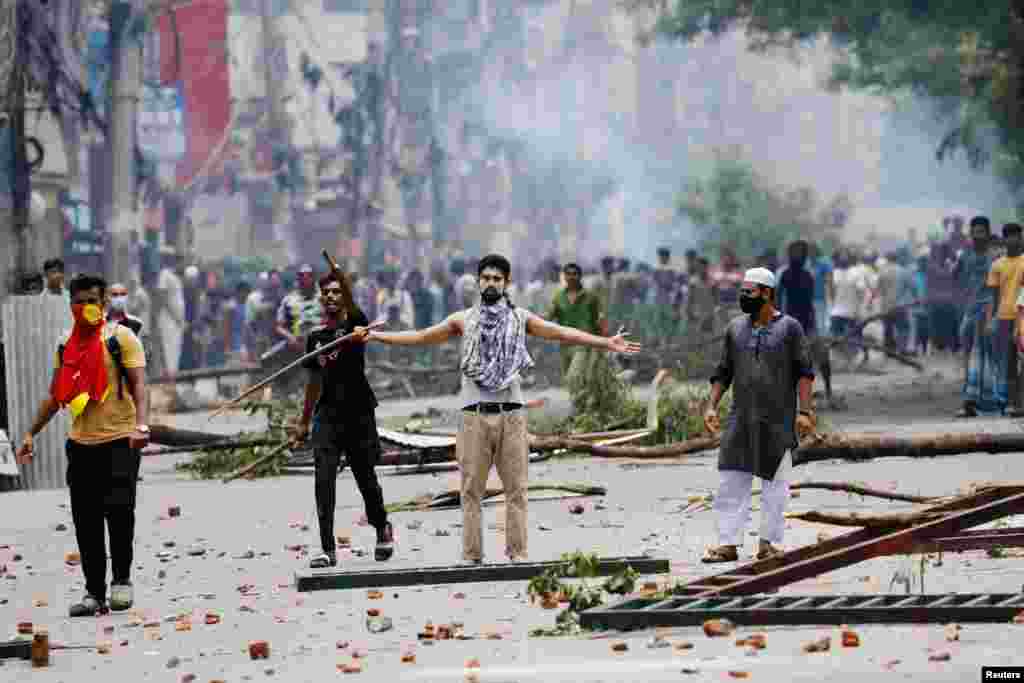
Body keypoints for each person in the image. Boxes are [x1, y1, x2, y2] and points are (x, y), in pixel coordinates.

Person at [364, 254, 641, 564]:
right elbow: (420, 337)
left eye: (497, 278)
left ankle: (518, 555)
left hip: (511, 413)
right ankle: (471, 556)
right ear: (479, 281)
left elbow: (562, 332)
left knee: (517, 489)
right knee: (471, 490)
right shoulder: (462, 320)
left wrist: (606, 343)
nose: (491, 283)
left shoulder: (521, 318)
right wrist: (374, 335)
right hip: (473, 414)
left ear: (506, 283)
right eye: (486, 278)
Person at [16, 274, 149, 616]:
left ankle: (121, 580)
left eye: (92, 300)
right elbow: (56, 394)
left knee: (120, 512)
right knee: (86, 519)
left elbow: (139, 386)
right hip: (81, 445)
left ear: (103, 303)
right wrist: (31, 432)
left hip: (120, 440)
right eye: (79, 301)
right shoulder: (66, 344)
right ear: (70, 305)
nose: (85, 307)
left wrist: (141, 425)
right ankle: (94, 593)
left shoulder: (122, 339)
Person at [702, 267, 816, 563]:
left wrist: (804, 412)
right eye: (742, 291)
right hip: (740, 419)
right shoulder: (735, 329)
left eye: (748, 292)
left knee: (775, 487)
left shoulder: (790, 328)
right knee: (730, 481)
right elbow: (722, 372)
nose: (743, 297)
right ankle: (727, 544)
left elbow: (804, 373)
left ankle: (767, 544)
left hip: (777, 420)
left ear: (767, 294)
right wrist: (711, 406)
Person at [290, 271, 394, 568]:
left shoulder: (356, 326)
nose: (332, 297)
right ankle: (327, 549)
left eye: (337, 292)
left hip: (358, 412)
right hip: (328, 416)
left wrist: (344, 281)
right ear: (321, 299)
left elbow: (357, 311)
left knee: (365, 478)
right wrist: (303, 421)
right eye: (327, 293)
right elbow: (313, 383)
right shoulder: (316, 339)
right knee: (323, 480)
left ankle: (382, 525)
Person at [957, 216, 998, 417]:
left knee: (985, 355)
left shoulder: (995, 256)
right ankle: (969, 396)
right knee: (968, 353)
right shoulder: (965, 256)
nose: (977, 236)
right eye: (974, 232)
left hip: (990, 310)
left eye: (981, 232)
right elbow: (957, 277)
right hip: (971, 310)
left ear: (988, 233)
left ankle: (980, 401)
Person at [985, 223, 1024, 416]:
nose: (1013, 240)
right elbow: (993, 296)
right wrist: (990, 320)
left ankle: (1019, 402)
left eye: (1017, 236)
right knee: (1008, 362)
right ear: (1004, 239)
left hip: (1022, 317)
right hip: (1004, 317)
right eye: (1009, 237)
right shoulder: (997, 265)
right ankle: (1014, 403)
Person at [546, 262, 607, 380]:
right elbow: (549, 316)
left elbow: (601, 319)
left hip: (584, 343)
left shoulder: (591, 297)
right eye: (568, 274)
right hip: (565, 344)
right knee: (570, 380)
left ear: (580, 276)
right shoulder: (558, 297)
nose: (571, 277)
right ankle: (580, 398)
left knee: (574, 376)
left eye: (574, 274)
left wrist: (603, 341)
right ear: (564, 276)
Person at [276, 265, 324, 351]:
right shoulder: (288, 300)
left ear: (314, 278)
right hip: (297, 343)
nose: (305, 278)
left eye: (309, 275)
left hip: (321, 342)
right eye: (302, 275)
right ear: (298, 279)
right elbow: (279, 326)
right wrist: (291, 338)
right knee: (267, 359)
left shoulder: (324, 298)